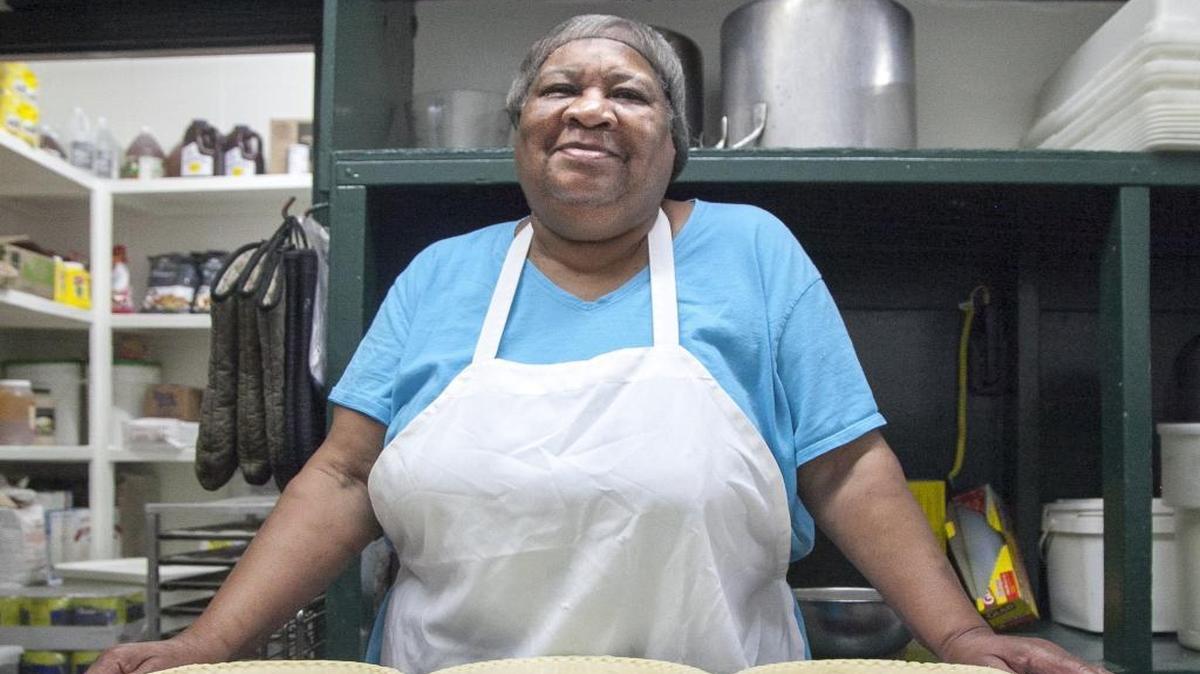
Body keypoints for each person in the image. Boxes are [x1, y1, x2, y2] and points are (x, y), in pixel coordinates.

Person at [94, 15, 1111, 674]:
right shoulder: (446, 275)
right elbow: (344, 479)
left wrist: (962, 634)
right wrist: (208, 642)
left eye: (630, 92)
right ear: (520, 128)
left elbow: (850, 470)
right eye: (558, 88)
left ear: (673, 143)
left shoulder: (752, 251)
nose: (590, 107)